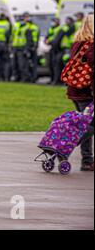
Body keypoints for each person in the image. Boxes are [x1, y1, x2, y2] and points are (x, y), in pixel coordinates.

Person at [66, 13, 94, 171]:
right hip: (86, 92)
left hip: (75, 89)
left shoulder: (77, 42)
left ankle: (87, 160)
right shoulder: (91, 45)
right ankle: (65, 145)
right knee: (87, 126)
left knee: (85, 123)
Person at [51, 17, 76, 85]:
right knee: (64, 65)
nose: (65, 22)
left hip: (67, 49)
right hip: (67, 49)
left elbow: (58, 39)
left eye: (67, 21)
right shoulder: (72, 28)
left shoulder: (65, 28)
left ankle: (63, 81)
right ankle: (63, 81)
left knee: (64, 64)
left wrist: (55, 46)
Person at [23, 13, 40, 83]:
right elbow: (37, 38)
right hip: (34, 47)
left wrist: (27, 49)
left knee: (27, 64)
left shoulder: (27, 28)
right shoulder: (36, 27)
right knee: (34, 64)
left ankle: (29, 78)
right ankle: (34, 78)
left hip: (29, 48)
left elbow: (28, 40)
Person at [45, 18, 61, 84]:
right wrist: (46, 41)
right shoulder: (51, 28)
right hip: (52, 48)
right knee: (50, 65)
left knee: (56, 65)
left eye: (55, 21)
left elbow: (57, 39)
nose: (54, 22)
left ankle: (56, 80)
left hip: (58, 49)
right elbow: (47, 37)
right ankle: (52, 79)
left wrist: (50, 41)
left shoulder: (60, 29)